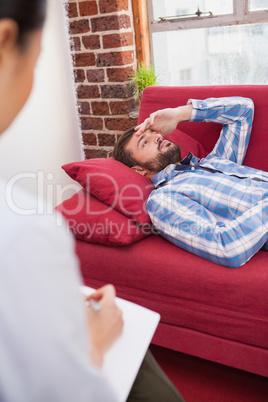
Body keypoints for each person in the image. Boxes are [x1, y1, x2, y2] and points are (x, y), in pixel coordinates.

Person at [0, 1, 184, 401]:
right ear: (6, 43)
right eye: (38, 57)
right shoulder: (24, 231)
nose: (157, 139)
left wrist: (184, 111)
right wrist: (96, 341)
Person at [113, 96, 268, 268]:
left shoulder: (214, 161)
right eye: (145, 143)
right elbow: (226, 248)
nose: (156, 137)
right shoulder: (163, 199)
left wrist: (178, 114)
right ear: (139, 170)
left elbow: (243, 110)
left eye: (153, 132)